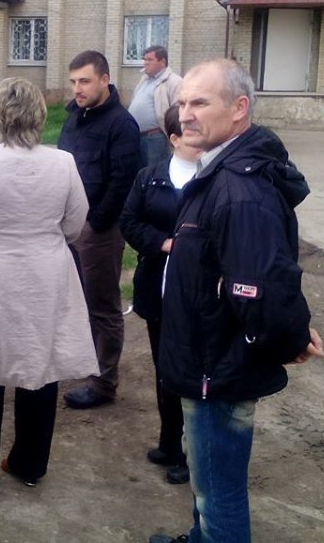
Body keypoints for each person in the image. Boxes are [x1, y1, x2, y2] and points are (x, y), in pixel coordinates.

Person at [149, 59, 324, 543]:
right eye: (183, 103)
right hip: (207, 361)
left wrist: (289, 338)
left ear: (239, 108)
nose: (185, 114)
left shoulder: (239, 190)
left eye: (200, 102)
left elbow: (262, 288)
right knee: (207, 484)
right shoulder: (219, 171)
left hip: (218, 371)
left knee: (219, 495)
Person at [0, 77, 97, 505]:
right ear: (38, 113)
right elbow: (76, 222)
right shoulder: (63, 163)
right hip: (43, 273)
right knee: (39, 362)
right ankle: (29, 462)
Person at [119, 104, 200, 486]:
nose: (200, 138)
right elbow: (129, 221)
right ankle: (170, 442)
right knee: (165, 368)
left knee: (191, 371)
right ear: (174, 139)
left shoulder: (213, 178)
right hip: (158, 288)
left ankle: (190, 452)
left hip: (198, 296)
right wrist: (163, 243)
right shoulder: (149, 178)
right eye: (190, 131)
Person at [58, 50, 141, 409]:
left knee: (103, 306)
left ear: (105, 80)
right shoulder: (74, 118)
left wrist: (94, 224)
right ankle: (86, 364)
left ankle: (104, 383)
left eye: (85, 81)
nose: (77, 88)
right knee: (77, 302)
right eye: (73, 81)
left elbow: (123, 183)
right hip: (69, 226)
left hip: (99, 231)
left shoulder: (122, 125)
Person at [127, 45, 182, 167]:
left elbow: (177, 111)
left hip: (155, 138)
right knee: (139, 173)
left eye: (150, 60)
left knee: (154, 172)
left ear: (162, 61)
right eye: (144, 59)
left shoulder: (173, 81)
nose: (145, 63)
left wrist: (173, 136)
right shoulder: (145, 80)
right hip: (136, 137)